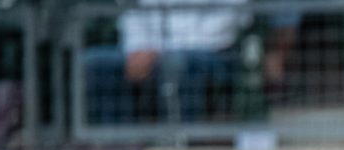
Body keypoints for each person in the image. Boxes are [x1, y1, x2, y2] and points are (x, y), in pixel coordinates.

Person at [84, 0, 249, 124]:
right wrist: (138, 49)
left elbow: (225, 23)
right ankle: (116, 143)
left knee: (177, 62)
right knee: (96, 62)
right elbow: (132, 14)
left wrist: (160, 51)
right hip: (149, 49)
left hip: (211, 51)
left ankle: (179, 141)